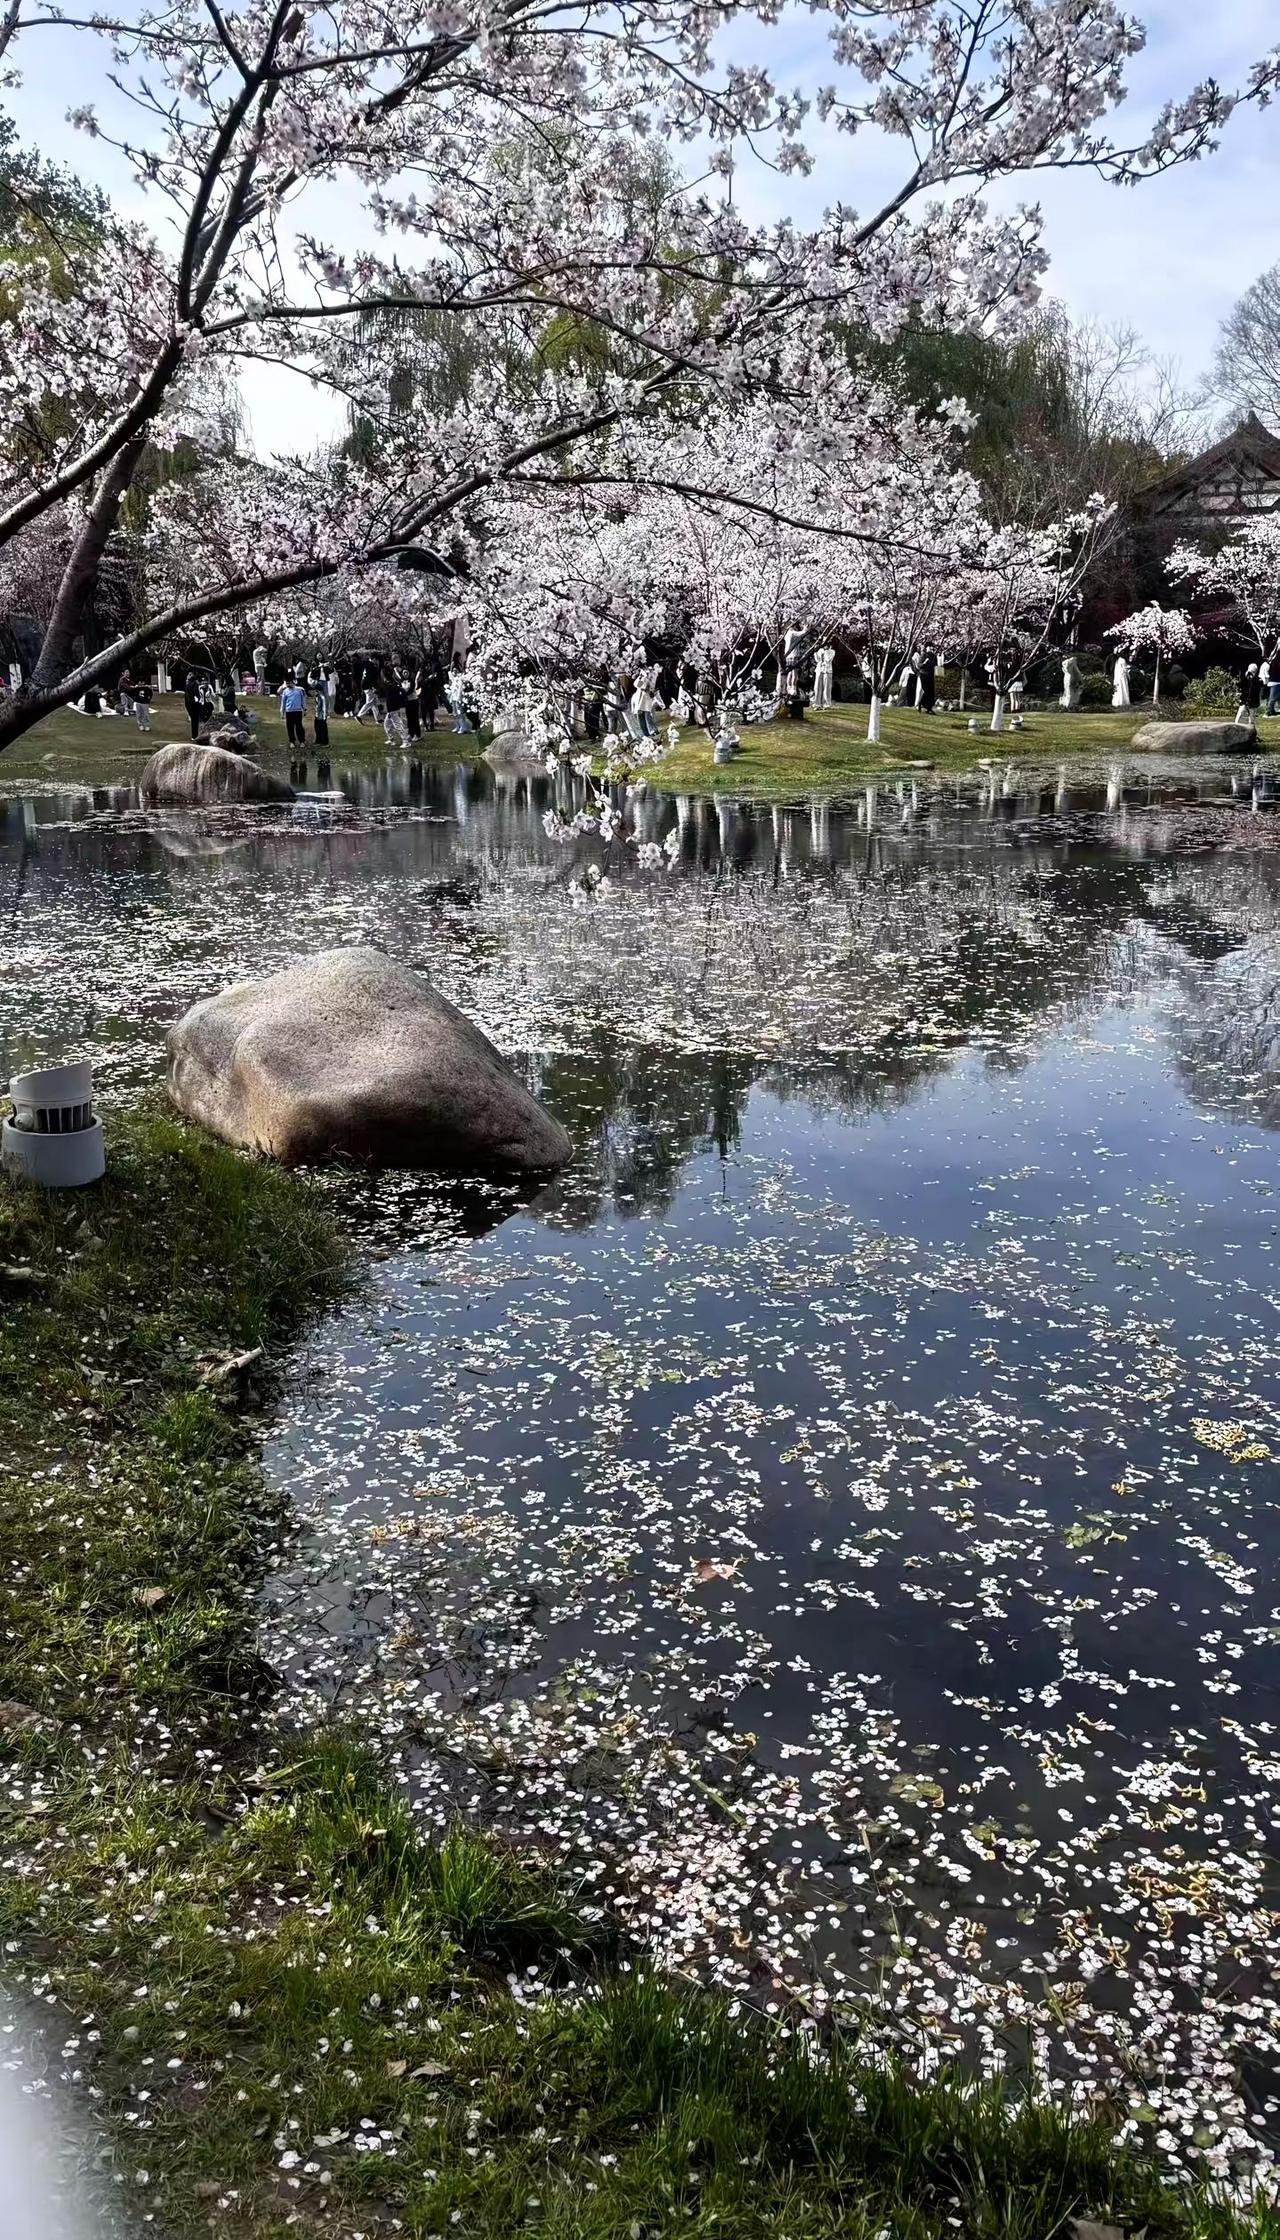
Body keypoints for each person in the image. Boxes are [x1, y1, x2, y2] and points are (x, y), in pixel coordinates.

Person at [279, 671, 307, 748]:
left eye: (289, 683)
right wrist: (282, 712)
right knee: (290, 727)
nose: (287, 685)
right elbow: (283, 702)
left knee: (299, 726)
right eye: (286, 683)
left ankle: (302, 741)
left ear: (292, 682)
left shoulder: (299, 690)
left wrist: (304, 709)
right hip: (289, 712)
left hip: (298, 711)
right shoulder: (285, 691)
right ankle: (292, 741)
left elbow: (303, 700)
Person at [382, 667, 408, 747]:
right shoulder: (391, 682)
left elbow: (401, 691)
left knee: (398, 725)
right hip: (391, 707)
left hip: (393, 707)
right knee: (387, 724)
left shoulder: (390, 683)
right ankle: (391, 739)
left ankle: (406, 741)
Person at [183, 669, 206, 741]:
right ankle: (195, 735)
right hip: (193, 704)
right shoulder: (192, 683)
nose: (187, 676)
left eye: (189, 674)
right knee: (195, 720)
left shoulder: (191, 683)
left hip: (190, 703)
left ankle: (194, 735)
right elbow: (195, 694)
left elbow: (195, 694)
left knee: (194, 720)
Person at [1237, 663, 1262, 727]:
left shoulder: (1258, 680)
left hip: (1253, 701)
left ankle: (1251, 732)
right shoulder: (1245, 678)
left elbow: (1258, 691)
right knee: (1240, 717)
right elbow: (1241, 686)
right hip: (1245, 700)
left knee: (1251, 718)